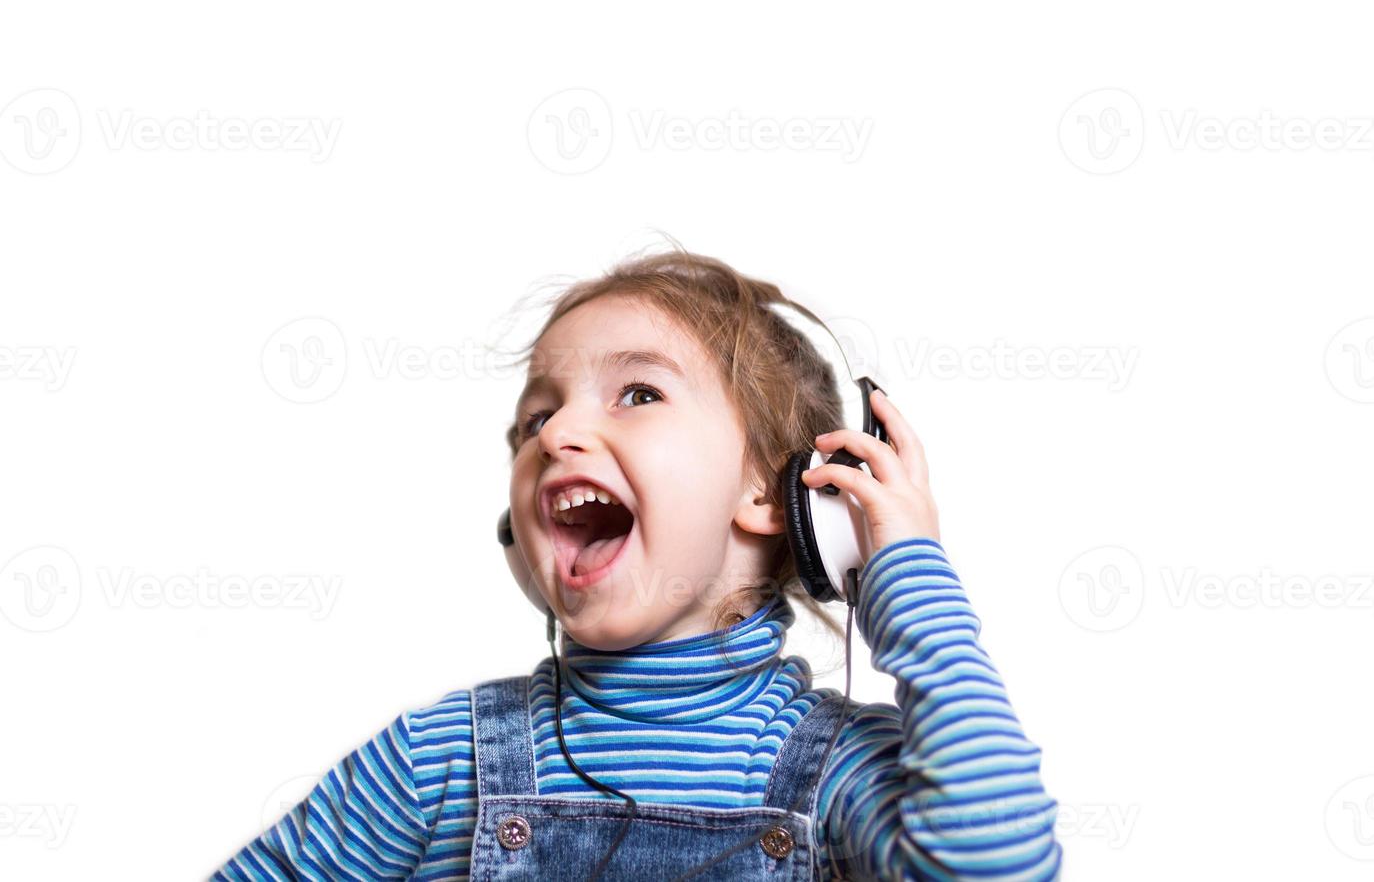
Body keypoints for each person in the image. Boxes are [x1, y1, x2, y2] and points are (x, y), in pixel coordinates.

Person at [210, 244, 1063, 880]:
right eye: (534, 418)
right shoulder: (442, 756)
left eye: (639, 394)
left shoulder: (831, 769)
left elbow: (995, 862)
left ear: (774, 498)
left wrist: (906, 578)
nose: (555, 434)